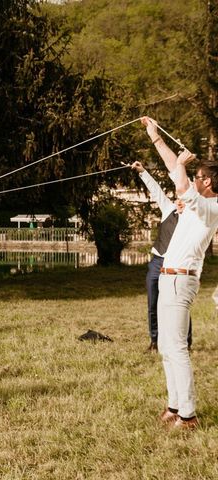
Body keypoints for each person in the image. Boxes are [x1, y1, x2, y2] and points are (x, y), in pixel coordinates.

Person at [142, 116, 218, 430]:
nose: (193, 180)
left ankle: (187, 416)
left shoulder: (212, 207)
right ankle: (174, 406)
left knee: (176, 347)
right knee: (166, 346)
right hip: (170, 277)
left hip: (181, 278)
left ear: (209, 183)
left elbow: (186, 190)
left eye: (199, 176)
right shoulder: (197, 199)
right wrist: (156, 137)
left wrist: (185, 171)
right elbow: (178, 173)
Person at [130, 161, 192, 352]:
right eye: (178, 198)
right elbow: (155, 189)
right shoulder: (168, 209)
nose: (179, 201)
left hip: (177, 265)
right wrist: (142, 172)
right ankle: (155, 341)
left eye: (184, 199)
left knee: (179, 304)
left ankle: (185, 342)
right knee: (153, 303)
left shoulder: (193, 218)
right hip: (157, 263)